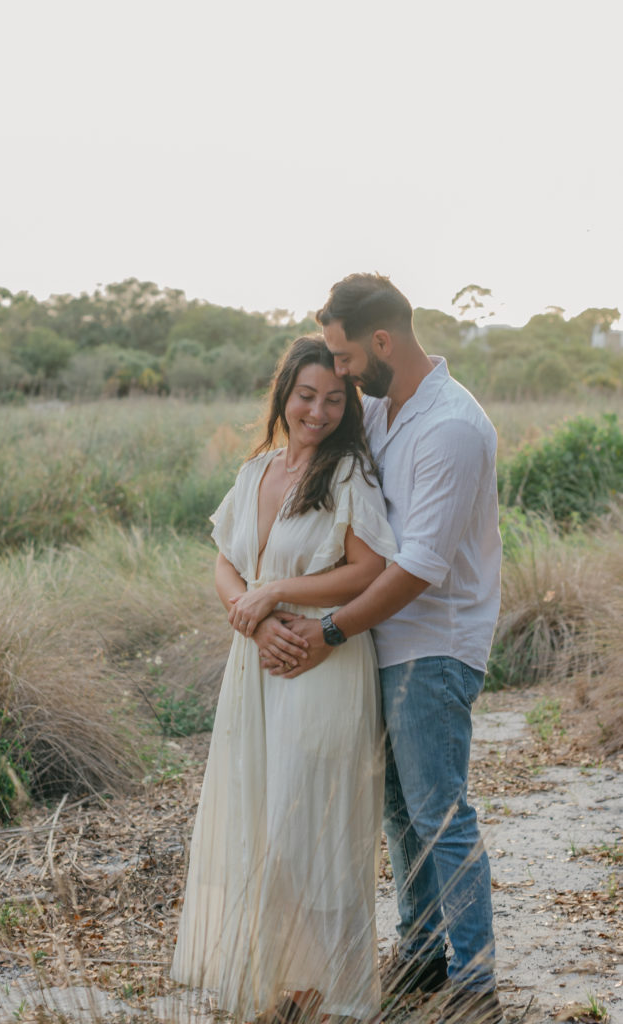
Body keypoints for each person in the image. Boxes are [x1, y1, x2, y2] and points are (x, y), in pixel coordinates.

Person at [235, 275, 503, 1024]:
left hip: (433, 641)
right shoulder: (388, 410)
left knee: (438, 811)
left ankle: (476, 979)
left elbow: (419, 568)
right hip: (382, 640)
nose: (342, 375)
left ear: (381, 342)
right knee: (397, 810)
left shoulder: (450, 426)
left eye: (347, 359)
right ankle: (420, 954)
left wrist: (325, 632)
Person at [170, 336, 397, 1022]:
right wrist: (254, 614)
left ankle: (330, 993)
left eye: (335, 399)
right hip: (260, 661)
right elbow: (224, 561)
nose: (319, 411)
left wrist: (278, 595)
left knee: (311, 825)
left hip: (322, 660)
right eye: (307, 396)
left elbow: (369, 569)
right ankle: (281, 984)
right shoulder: (256, 472)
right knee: (261, 824)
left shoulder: (350, 471)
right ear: (284, 395)